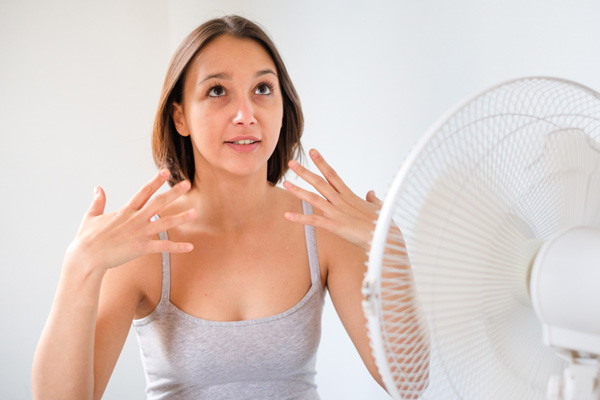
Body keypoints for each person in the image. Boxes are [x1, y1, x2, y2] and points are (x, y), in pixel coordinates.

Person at [32, 15, 426, 400]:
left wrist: (390, 248)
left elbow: (408, 383)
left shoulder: (322, 228)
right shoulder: (145, 242)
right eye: (218, 91)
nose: (246, 115)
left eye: (263, 89)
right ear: (180, 115)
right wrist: (79, 265)